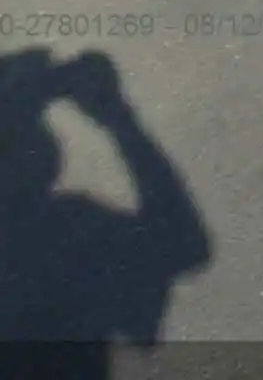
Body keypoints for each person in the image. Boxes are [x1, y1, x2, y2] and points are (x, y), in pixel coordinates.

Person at [0, 49, 212, 353]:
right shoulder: (66, 232)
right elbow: (183, 246)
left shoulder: (64, 228)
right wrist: (119, 120)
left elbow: (185, 247)